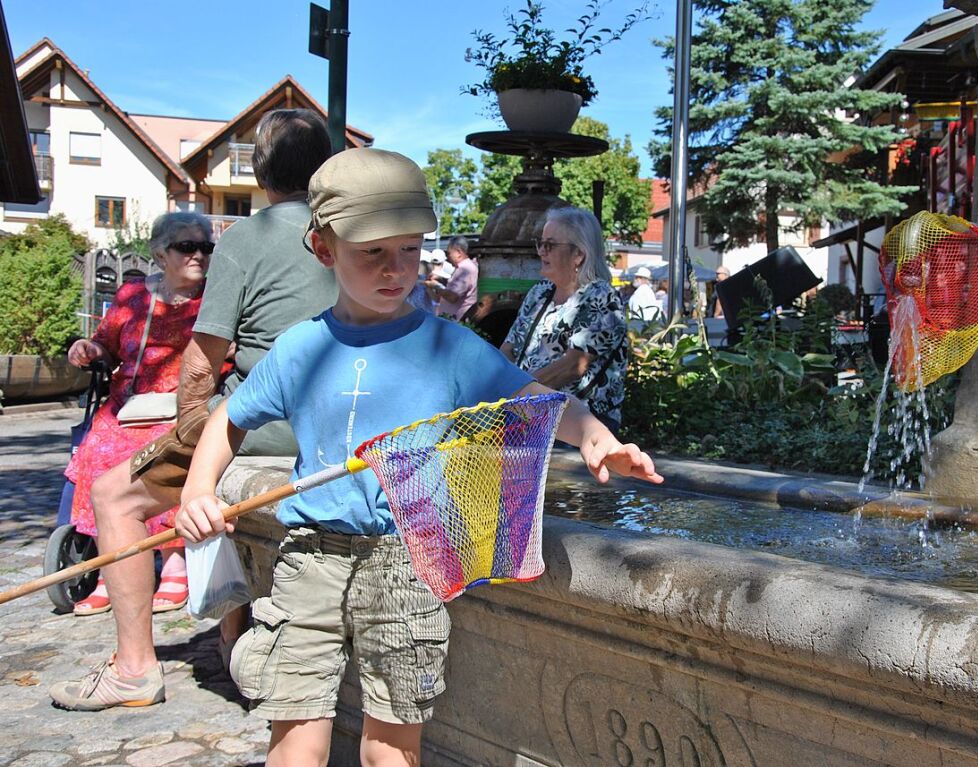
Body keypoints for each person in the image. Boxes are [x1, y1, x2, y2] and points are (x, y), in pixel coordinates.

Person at [174, 148, 662, 767]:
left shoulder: (447, 346)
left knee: (390, 745)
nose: (395, 269)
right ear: (324, 249)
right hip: (307, 562)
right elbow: (228, 418)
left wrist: (597, 438)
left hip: (408, 560)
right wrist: (198, 490)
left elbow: (535, 400)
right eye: (371, 252)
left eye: (408, 249)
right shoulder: (301, 347)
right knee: (296, 740)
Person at [50, 108, 336, 712]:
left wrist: (190, 434)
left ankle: (133, 669)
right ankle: (232, 631)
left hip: (261, 424)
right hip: (341, 424)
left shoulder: (247, 239)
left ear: (259, 169)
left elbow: (202, 365)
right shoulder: (348, 234)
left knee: (112, 495)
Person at [63, 212, 215, 616]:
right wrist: (89, 350)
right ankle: (108, 570)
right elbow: (104, 345)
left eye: (206, 247)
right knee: (97, 448)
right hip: (129, 404)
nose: (199, 255)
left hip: (186, 407)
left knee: (160, 452)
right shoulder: (134, 297)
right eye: (187, 247)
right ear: (160, 253)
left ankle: (175, 561)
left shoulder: (215, 298)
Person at [500, 206, 628, 433]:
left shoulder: (601, 296)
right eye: (540, 243)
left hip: (578, 424)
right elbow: (508, 349)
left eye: (549, 245)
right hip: (528, 417)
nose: (541, 251)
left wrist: (517, 393)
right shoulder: (540, 292)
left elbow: (573, 366)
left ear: (578, 254)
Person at [426, 235, 477, 319]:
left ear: (458, 253)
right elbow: (456, 288)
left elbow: (452, 297)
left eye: (449, 253)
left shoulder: (465, 269)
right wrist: (441, 279)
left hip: (457, 320)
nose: (447, 257)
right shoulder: (467, 267)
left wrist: (434, 286)